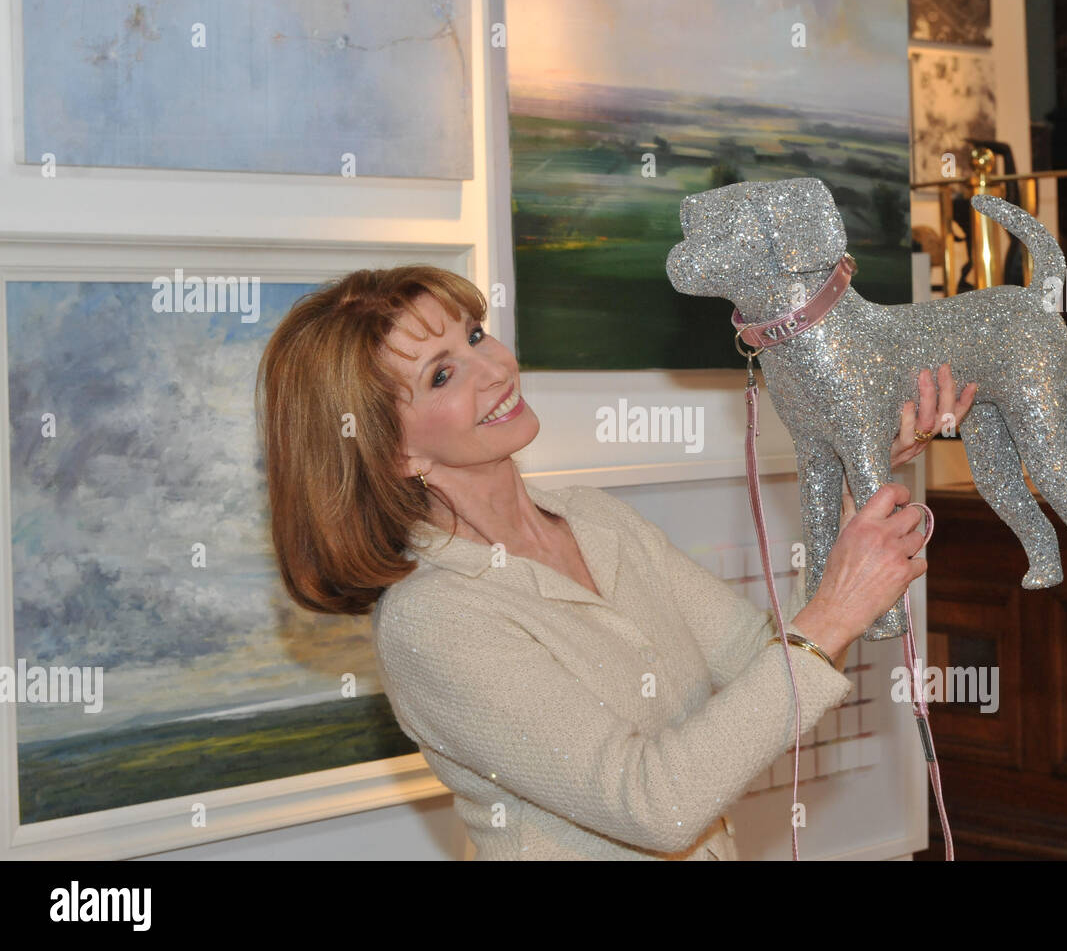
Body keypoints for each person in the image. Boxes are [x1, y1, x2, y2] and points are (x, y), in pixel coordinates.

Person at [255, 265, 977, 860]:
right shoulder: (431, 621)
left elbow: (769, 664)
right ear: (394, 450)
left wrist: (853, 488)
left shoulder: (596, 520)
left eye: (476, 335)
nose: (496, 366)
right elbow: (656, 804)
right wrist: (833, 612)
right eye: (444, 375)